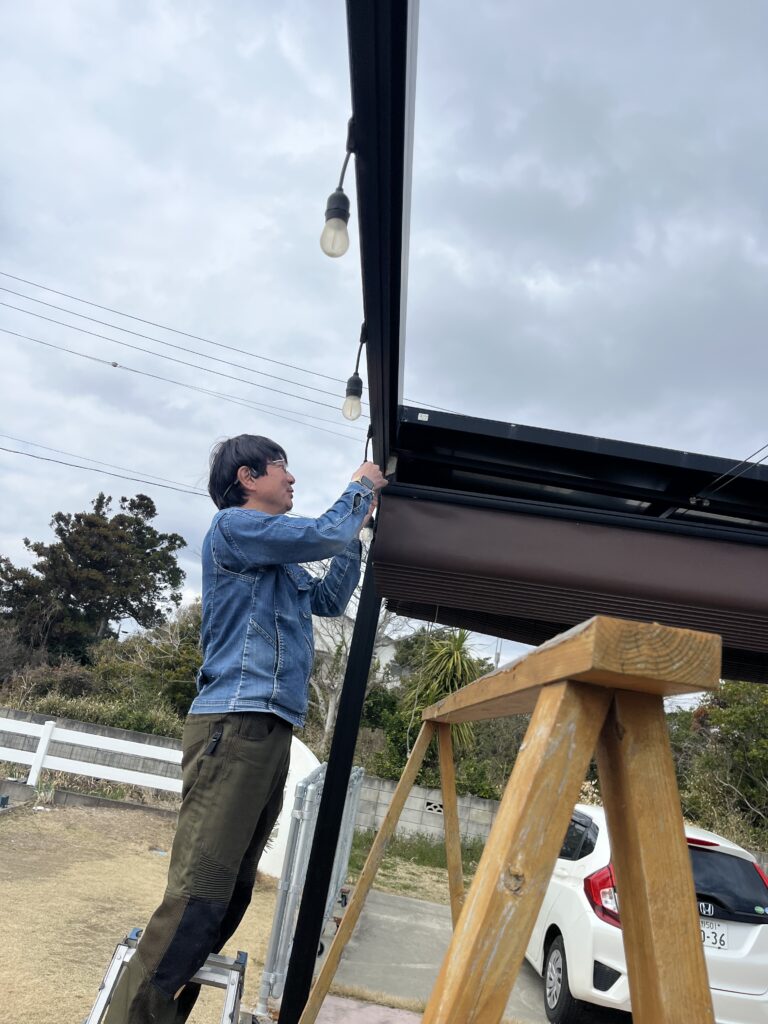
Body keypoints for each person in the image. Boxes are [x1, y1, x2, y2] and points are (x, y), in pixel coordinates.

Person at [103, 434, 387, 1023]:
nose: (292, 478)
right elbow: (323, 533)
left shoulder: (275, 562)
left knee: (229, 895)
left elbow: (329, 598)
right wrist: (359, 488)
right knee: (197, 898)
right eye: (282, 467)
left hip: (267, 729)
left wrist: (359, 533)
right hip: (235, 722)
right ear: (248, 477)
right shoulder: (234, 528)